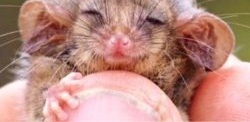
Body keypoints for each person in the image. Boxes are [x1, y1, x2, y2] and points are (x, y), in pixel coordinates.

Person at [0, 56, 249, 121]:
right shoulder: (55, 66)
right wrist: (51, 95)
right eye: (95, 16)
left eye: (151, 21)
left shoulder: (182, 73)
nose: (120, 41)